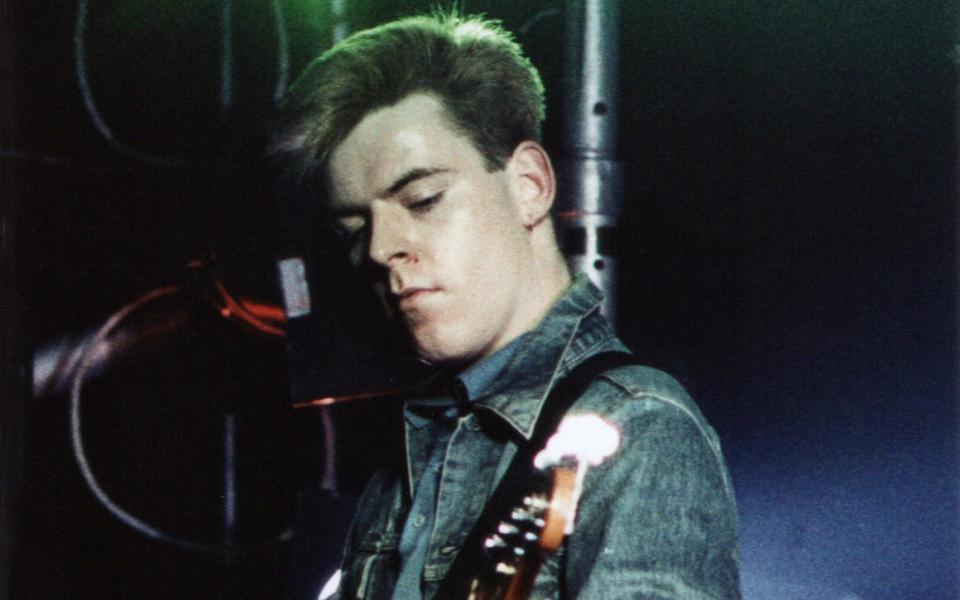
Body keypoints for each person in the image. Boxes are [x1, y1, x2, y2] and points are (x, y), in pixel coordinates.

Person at [272, 10, 741, 600]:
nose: (381, 249)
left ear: (529, 184)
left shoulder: (639, 430)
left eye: (423, 199)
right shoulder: (411, 453)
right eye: (352, 231)